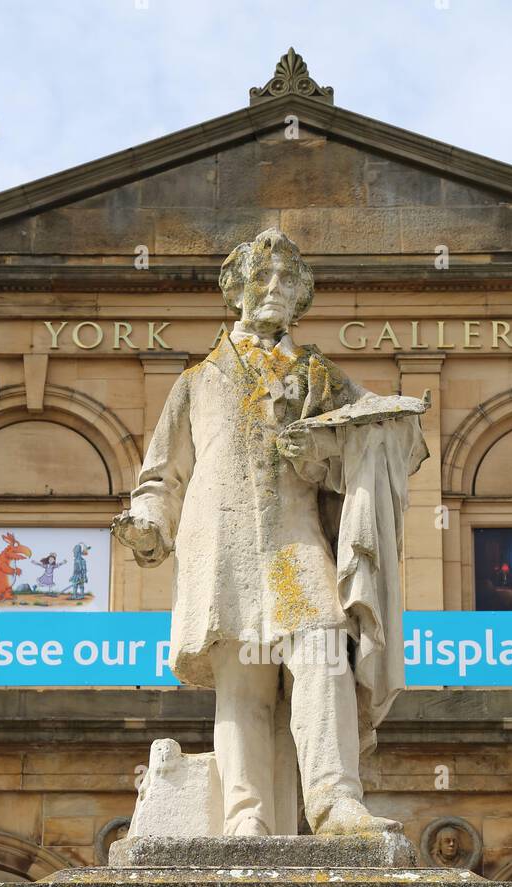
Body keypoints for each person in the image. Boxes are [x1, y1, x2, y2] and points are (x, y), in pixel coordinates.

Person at [113, 229, 428, 837]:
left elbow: (392, 437)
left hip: (295, 541)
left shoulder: (319, 375)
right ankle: (245, 818)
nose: (276, 290)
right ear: (236, 291)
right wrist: (149, 525)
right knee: (244, 688)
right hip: (223, 550)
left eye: (289, 280)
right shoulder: (196, 382)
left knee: (322, 655)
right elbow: (162, 476)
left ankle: (335, 803)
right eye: (264, 278)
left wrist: (331, 444)